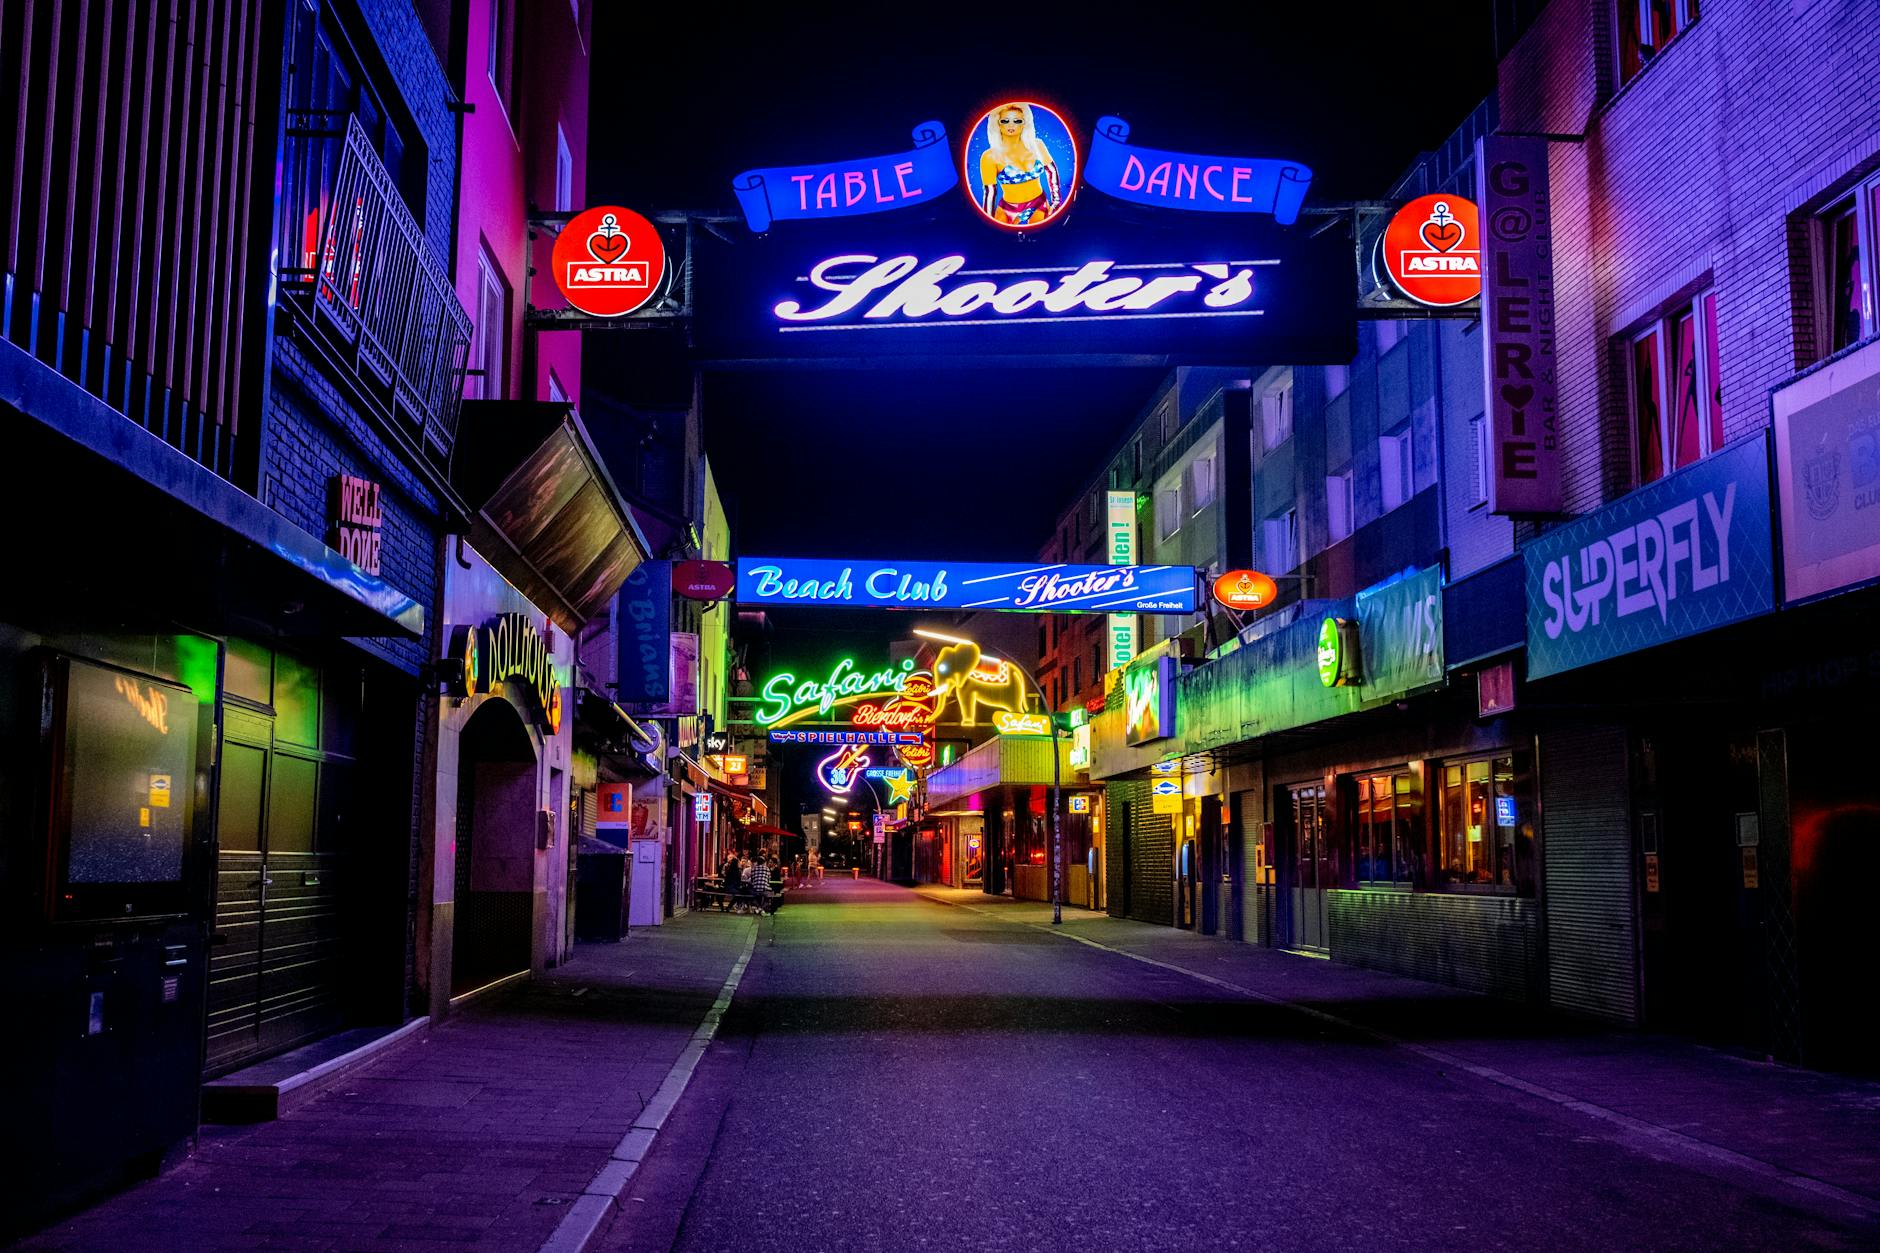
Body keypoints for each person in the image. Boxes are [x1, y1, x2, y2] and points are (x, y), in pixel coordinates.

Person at [977, 103, 1063, 227]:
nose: (1011, 125)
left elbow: (1052, 172)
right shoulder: (989, 156)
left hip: (1039, 203)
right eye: (1005, 121)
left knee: (1040, 241)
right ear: (997, 124)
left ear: (1024, 123)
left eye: (1017, 120)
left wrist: (1056, 203)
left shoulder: (1037, 145)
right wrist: (988, 221)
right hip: (1008, 209)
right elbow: (989, 192)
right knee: (1001, 244)